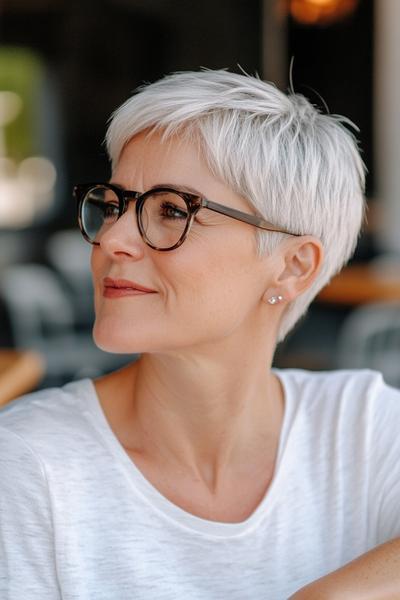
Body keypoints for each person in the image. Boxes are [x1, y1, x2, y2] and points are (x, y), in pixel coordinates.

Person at [1, 69, 400, 600]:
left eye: (171, 210)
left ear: (292, 267)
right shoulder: (29, 466)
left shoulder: (361, 429)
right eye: (115, 204)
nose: (112, 239)